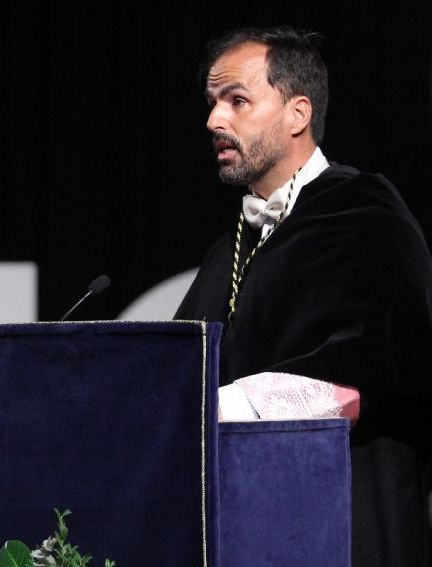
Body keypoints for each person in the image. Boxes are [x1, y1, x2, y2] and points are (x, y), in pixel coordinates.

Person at [174, 26, 432, 566]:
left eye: (237, 101)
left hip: (342, 510)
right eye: (212, 103)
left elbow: (384, 361)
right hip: (242, 523)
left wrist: (222, 406)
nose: (214, 121)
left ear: (297, 114)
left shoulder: (364, 211)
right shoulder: (231, 246)